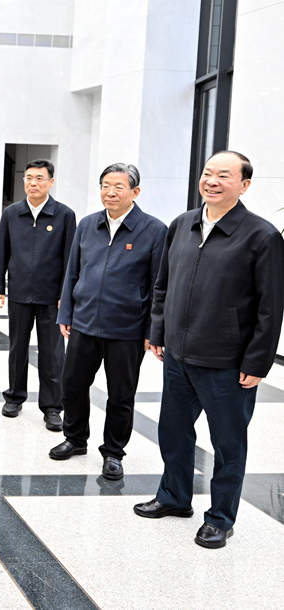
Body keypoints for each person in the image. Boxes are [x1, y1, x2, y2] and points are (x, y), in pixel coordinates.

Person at [134, 151, 284, 549]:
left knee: (228, 445)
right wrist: (158, 331)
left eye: (224, 175)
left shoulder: (262, 236)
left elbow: (271, 308)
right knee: (173, 432)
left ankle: (220, 518)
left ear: (244, 185)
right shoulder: (182, 224)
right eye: (207, 173)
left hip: (227, 363)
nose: (212, 181)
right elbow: (163, 285)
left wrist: (258, 362)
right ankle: (174, 497)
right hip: (178, 356)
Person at [49, 164, 167, 480]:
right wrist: (66, 313)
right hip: (84, 322)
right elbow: (72, 272)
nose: (110, 192)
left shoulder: (154, 230)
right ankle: (75, 438)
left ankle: (113, 452)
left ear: (135, 192)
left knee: (121, 395)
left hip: (127, 329)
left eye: (118, 186)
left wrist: (152, 330)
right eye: (105, 185)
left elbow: (158, 285)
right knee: (72, 384)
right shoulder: (88, 225)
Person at [0, 159, 76, 430]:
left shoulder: (64, 215)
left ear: (51, 182)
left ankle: (52, 407)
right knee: (17, 348)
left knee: (53, 353)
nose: (33, 183)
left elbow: (70, 259)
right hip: (18, 293)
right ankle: (14, 397)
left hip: (51, 296)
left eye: (39, 178)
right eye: (28, 178)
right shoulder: (11, 213)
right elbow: (2, 250)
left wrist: (66, 295)